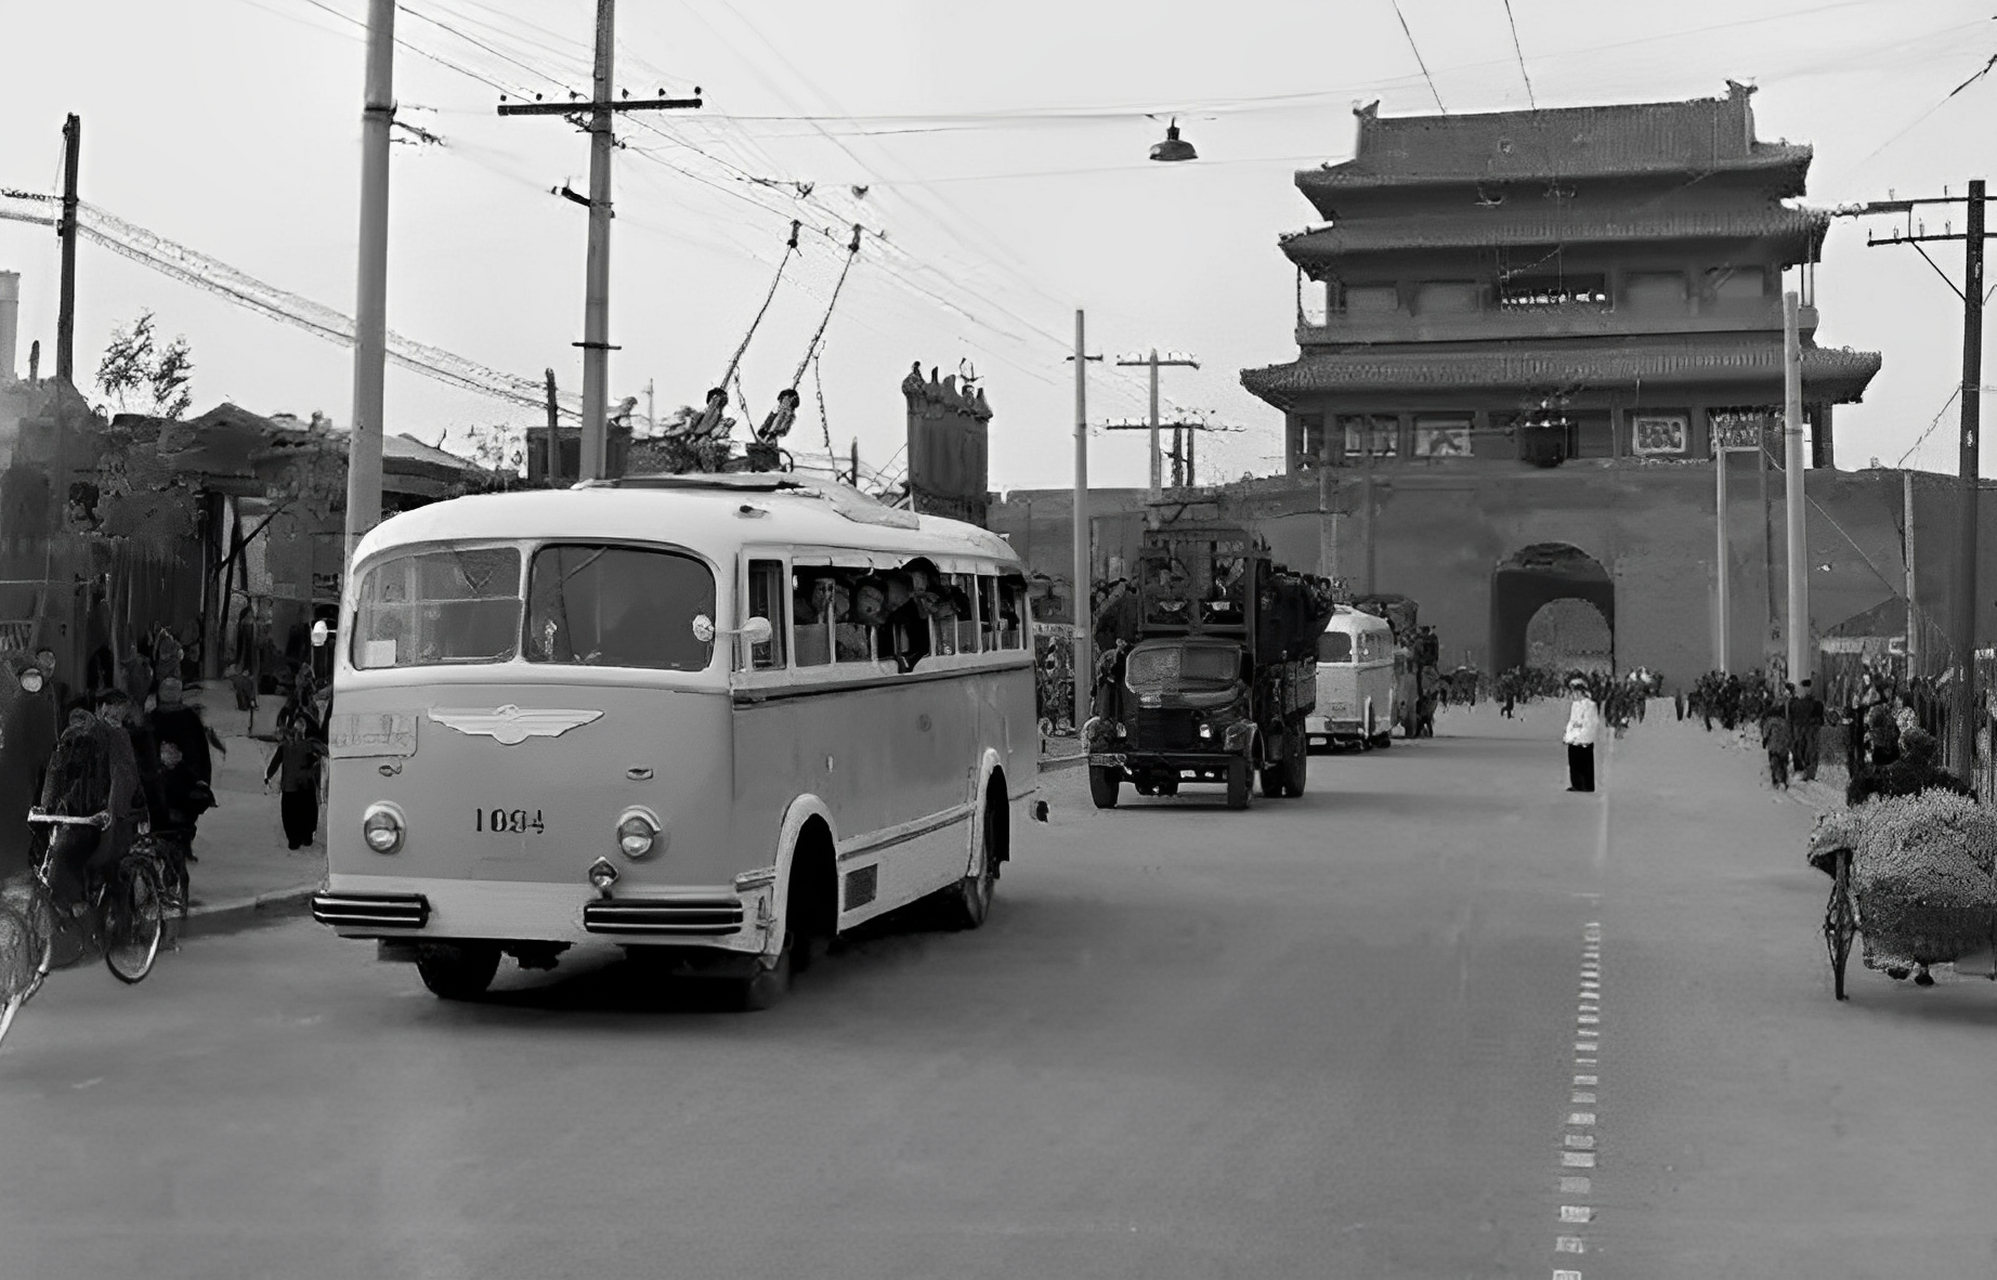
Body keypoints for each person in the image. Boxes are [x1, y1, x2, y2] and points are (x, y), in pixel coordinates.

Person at [265, 720, 327, 850]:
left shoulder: (303, 745)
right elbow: (325, 751)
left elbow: (275, 762)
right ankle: (301, 837)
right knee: (303, 812)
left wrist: (269, 775)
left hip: (296, 786)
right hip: (300, 786)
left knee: (295, 814)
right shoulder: (304, 745)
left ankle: (299, 838)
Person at [1562, 676, 1602, 793]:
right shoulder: (1575, 705)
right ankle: (1577, 783)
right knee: (1574, 762)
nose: (1574, 694)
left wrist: (1581, 734)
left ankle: (1587, 785)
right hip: (1574, 738)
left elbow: (1590, 722)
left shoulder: (1589, 705)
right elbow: (1572, 721)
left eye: (1576, 691)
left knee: (1585, 762)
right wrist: (1569, 735)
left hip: (1584, 738)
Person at [1788, 678, 1826, 782]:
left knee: (1802, 748)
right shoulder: (1815, 704)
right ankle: (1808, 773)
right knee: (1809, 750)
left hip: (1802, 730)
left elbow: (1791, 718)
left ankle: (1802, 771)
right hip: (1807, 730)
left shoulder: (1794, 703)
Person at [1760, 704, 1792, 789]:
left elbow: (1765, 732)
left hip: (1773, 746)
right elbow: (1789, 734)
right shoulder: (1785, 722)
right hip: (1783, 746)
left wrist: (1764, 741)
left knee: (1774, 762)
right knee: (1783, 763)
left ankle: (1775, 779)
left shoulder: (1769, 721)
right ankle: (1784, 780)